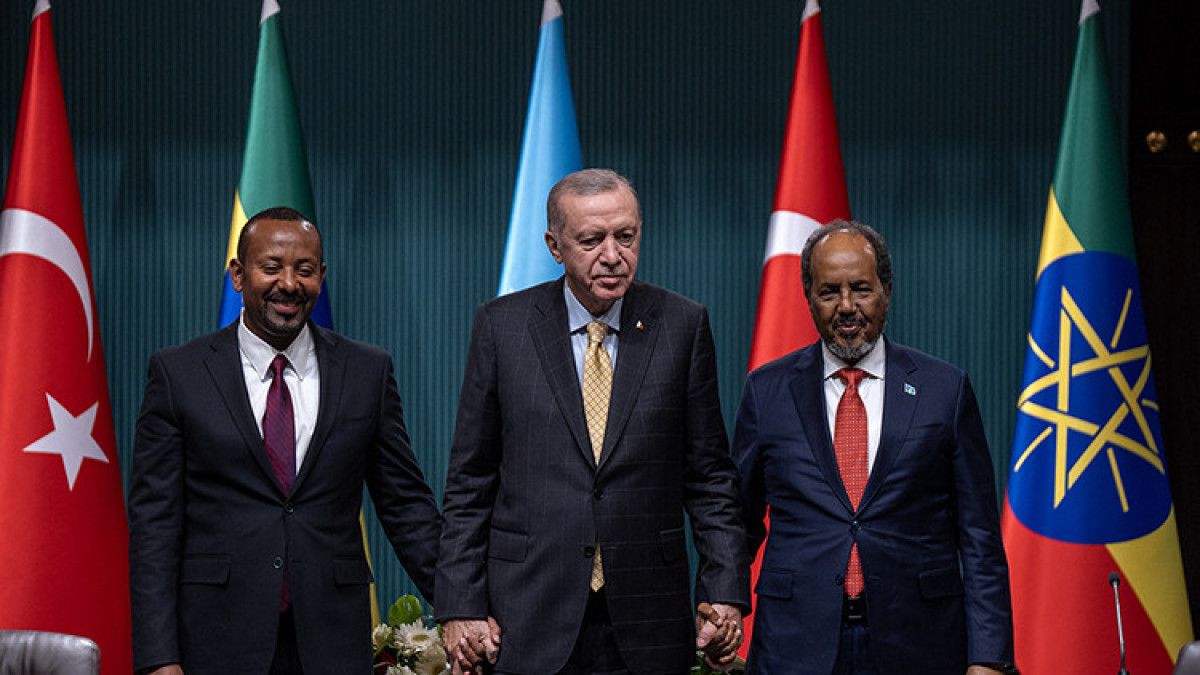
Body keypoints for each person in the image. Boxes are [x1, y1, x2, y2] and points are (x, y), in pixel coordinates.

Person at [435, 169, 748, 674]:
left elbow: (710, 477)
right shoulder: (502, 326)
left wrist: (725, 591)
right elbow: (471, 480)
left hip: (649, 619)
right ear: (554, 246)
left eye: (626, 236)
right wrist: (460, 605)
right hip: (529, 614)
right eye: (591, 240)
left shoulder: (682, 325)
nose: (612, 254)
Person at [127, 207, 441, 674]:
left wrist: (462, 606)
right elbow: (154, 525)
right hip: (216, 639)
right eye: (271, 267)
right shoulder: (179, 374)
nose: (289, 284)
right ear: (239, 275)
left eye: (305, 270)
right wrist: (158, 658)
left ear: (322, 277)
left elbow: (406, 506)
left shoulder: (366, 371)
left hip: (332, 639)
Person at [733, 220, 1015, 675]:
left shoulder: (945, 390)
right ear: (808, 297)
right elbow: (737, 524)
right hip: (795, 643)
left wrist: (989, 657)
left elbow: (979, 537)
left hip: (919, 642)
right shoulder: (767, 391)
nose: (847, 306)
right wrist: (723, 602)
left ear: (886, 290)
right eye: (829, 292)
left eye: (861, 289)